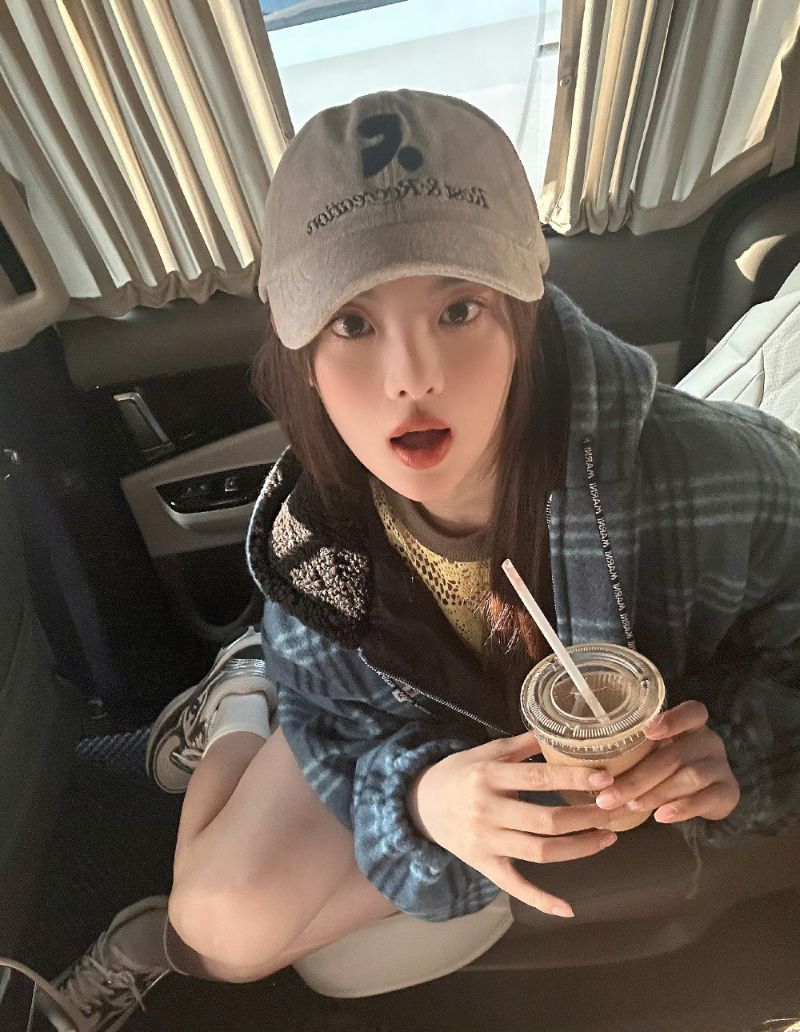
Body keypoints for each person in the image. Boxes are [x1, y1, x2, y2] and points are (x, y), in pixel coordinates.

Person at [41, 88, 800, 1032]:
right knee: (217, 933)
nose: (410, 378)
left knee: (260, 945)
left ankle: (243, 701)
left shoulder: (714, 476)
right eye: (353, 324)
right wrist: (423, 802)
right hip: (402, 727)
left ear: (523, 315)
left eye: (458, 308)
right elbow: (336, 729)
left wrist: (736, 749)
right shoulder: (318, 547)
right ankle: (243, 694)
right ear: (301, 355)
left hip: (567, 777)